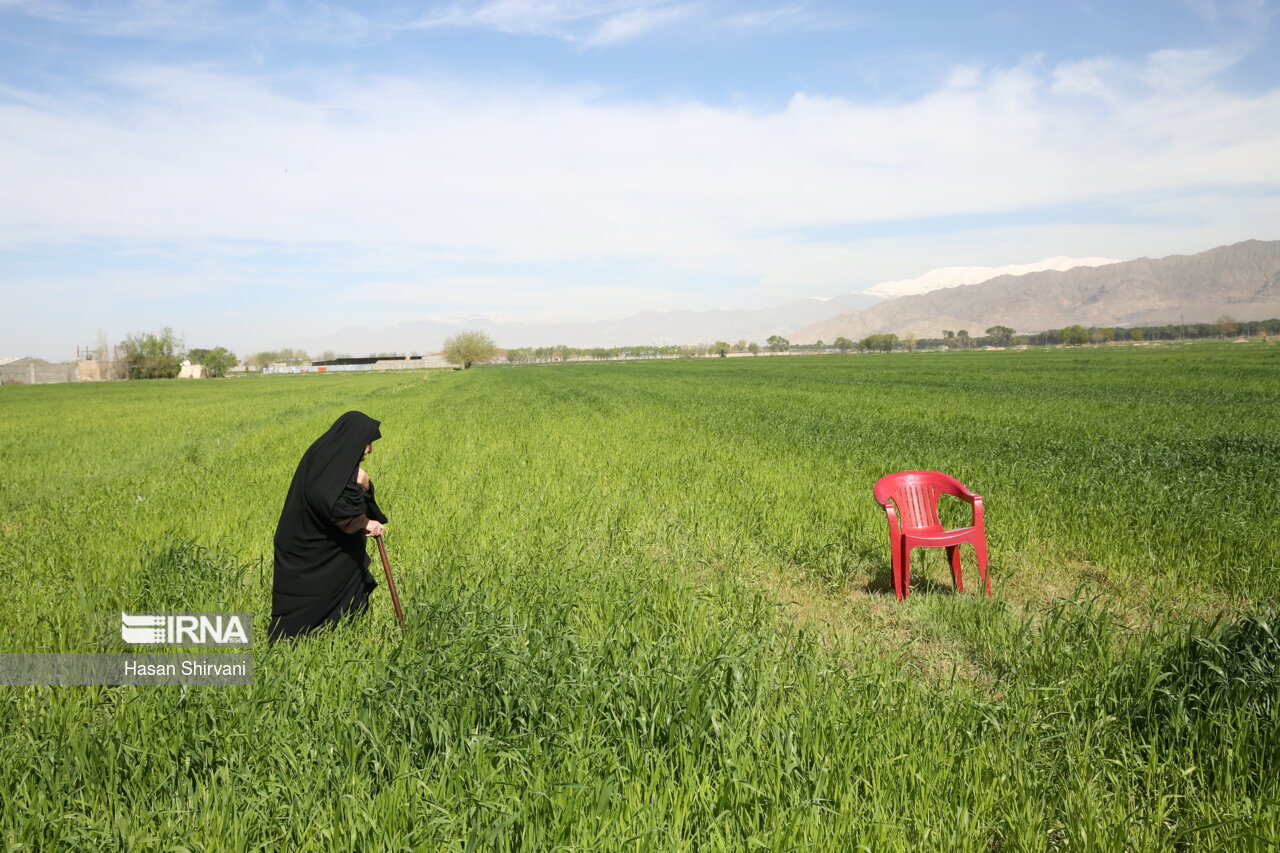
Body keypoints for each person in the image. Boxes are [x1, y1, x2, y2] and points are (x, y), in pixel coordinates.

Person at [269, 410, 388, 642]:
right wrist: (364, 523)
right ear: (354, 439)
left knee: (349, 592)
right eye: (367, 443)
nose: (369, 450)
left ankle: (339, 641)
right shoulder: (327, 458)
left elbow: (347, 497)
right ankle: (286, 649)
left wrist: (365, 484)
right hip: (309, 549)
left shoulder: (339, 459)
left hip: (334, 548)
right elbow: (324, 498)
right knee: (309, 602)